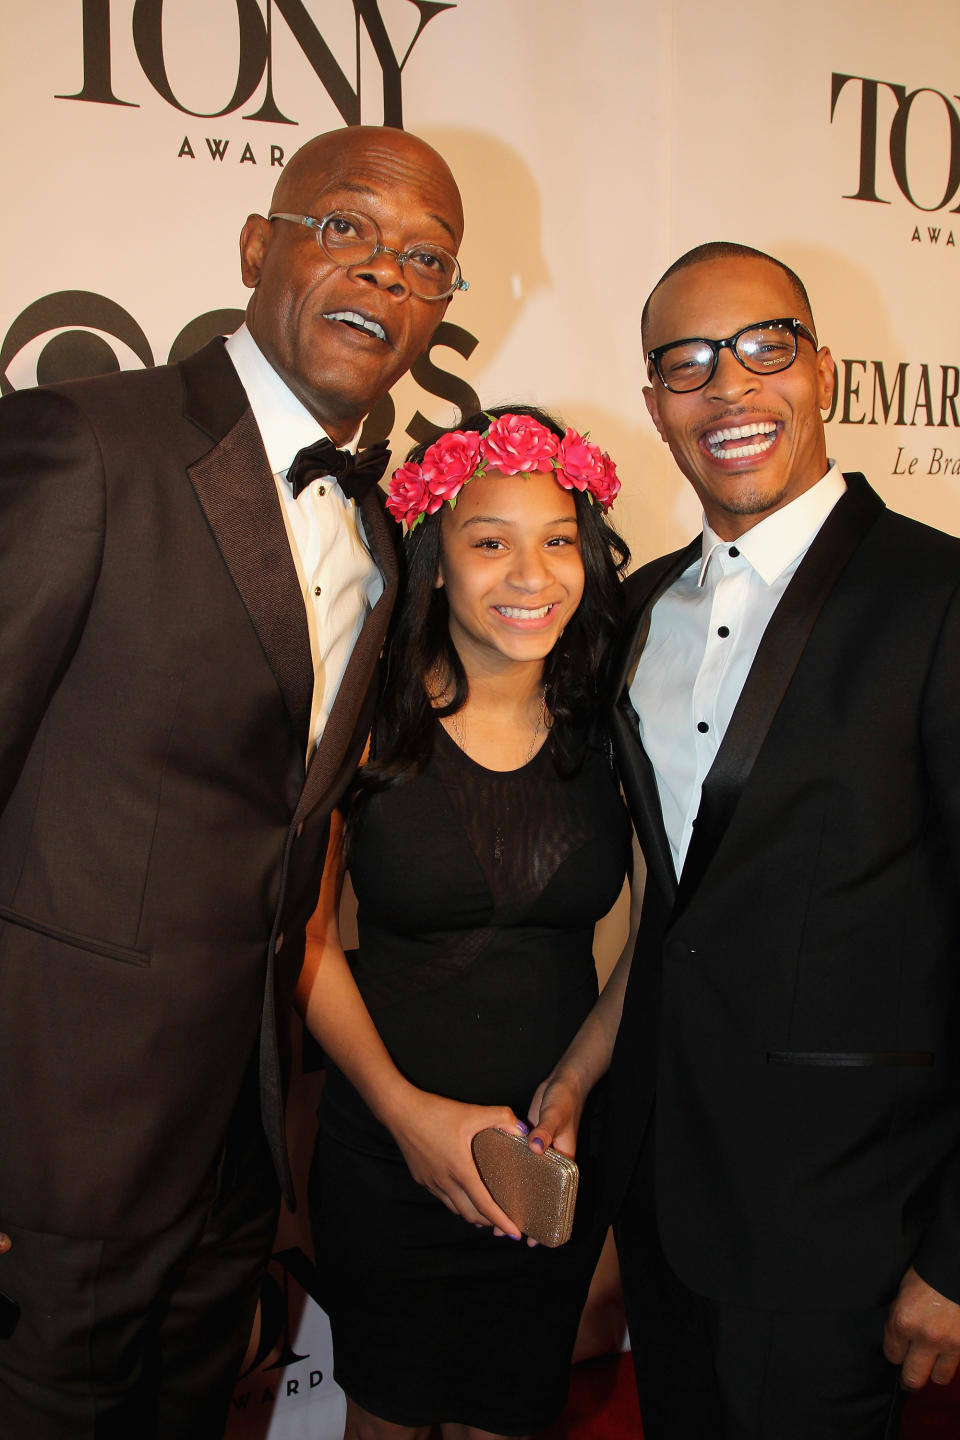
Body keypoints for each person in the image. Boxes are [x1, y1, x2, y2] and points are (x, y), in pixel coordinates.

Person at [0, 124, 466, 1438]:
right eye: (347, 229)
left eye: (425, 259)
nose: (384, 273)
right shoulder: (83, 447)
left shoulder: (380, 533)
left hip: (234, 1158)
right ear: (258, 245)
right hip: (50, 1147)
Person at [530, 242, 960, 1440]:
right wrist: (579, 1073)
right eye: (688, 364)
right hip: (662, 1194)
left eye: (765, 347)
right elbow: (685, 907)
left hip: (852, 1216)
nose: (729, 387)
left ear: (822, 370)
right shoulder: (632, 610)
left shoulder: (939, 599)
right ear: (657, 401)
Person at [295, 406, 633, 1439]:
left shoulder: (615, 724)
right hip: (384, 1160)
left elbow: (653, 944)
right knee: (384, 1420)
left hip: (548, 1156)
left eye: (557, 539)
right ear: (436, 558)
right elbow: (302, 945)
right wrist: (407, 1116)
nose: (531, 576)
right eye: (490, 541)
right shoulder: (363, 723)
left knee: (513, 1416)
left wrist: (575, 1080)